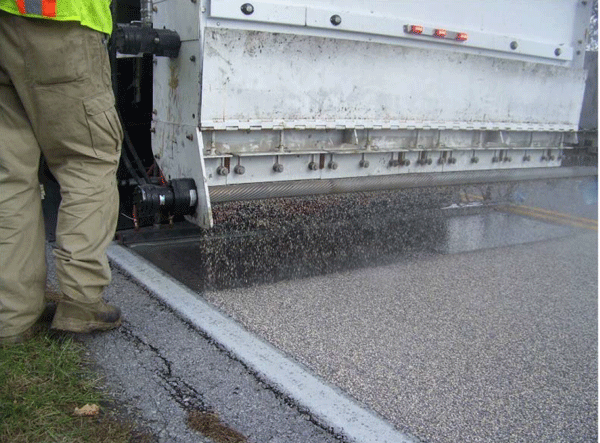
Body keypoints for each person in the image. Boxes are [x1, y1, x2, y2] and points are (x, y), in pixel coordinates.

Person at [0, 0, 123, 345]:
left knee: (10, 175)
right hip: (58, 20)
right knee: (87, 159)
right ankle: (81, 302)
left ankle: (12, 317)